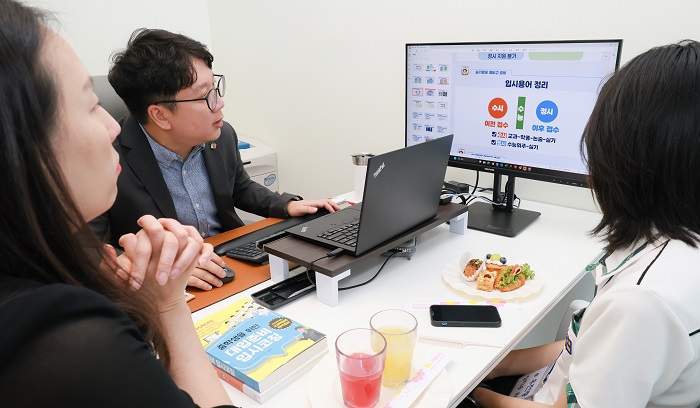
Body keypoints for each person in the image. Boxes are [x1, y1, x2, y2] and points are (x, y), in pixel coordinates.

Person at [0, 1, 236, 406]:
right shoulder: (73, 339)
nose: (112, 126)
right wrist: (167, 303)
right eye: (92, 104)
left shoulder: (222, 137)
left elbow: (242, 190)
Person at [464, 40, 700, 408]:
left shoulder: (641, 303)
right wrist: (497, 366)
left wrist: (470, 393)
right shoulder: (672, 249)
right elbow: (587, 346)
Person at [89, 28, 338, 291]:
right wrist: (152, 268)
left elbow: (240, 188)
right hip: (168, 286)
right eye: (205, 95)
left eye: (215, 88)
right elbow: (86, 249)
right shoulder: (104, 159)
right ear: (160, 115)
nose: (219, 103)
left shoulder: (221, 135)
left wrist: (285, 204)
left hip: (229, 259)